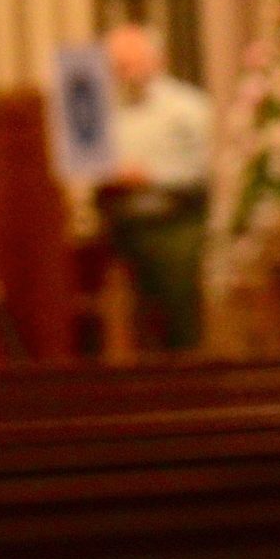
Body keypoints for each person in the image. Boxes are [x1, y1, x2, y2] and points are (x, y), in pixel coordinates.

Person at [99, 21, 213, 353]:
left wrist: (150, 175)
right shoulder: (105, 112)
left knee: (177, 320)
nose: (124, 71)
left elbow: (202, 168)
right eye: (117, 64)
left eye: (131, 61)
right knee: (131, 326)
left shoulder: (189, 107)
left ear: (156, 59)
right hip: (122, 225)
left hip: (174, 225)